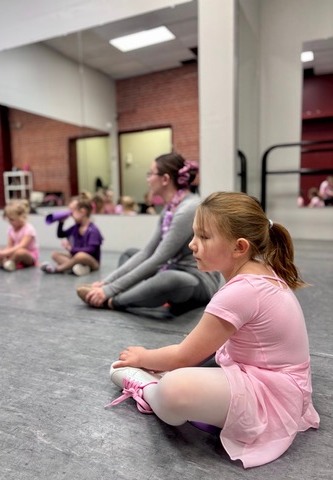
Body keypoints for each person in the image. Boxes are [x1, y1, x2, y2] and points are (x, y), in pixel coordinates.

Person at [105, 191, 320, 469]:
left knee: (174, 390)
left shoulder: (241, 290)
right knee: (194, 356)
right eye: (194, 235)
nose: (193, 245)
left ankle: (148, 390)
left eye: (204, 237)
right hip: (283, 384)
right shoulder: (258, 269)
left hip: (272, 394)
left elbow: (184, 356)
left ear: (239, 247)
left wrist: (143, 358)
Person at [76, 152, 221, 315]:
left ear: (165, 179)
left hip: (196, 281)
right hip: (172, 267)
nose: (148, 179)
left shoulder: (187, 209)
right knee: (130, 254)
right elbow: (147, 252)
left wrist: (109, 291)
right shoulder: (170, 209)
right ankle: (133, 294)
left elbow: (159, 258)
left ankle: (113, 301)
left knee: (167, 279)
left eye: (151, 174)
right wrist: (105, 283)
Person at [41, 191, 104, 276]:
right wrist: (61, 223)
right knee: (54, 254)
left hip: (92, 262)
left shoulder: (93, 230)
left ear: (83, 212)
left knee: (80, 255)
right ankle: (78, 268)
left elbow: (91, 250)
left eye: (72, 211)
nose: (70, 214)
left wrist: (71, 249)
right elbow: (60, 234)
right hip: (75, 259)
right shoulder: (75, 227)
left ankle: (58, 268)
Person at [0, 199, 39, 271]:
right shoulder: (11, 229)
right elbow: (9, 245)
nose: (9, 222)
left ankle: (3, 262)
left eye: (12, 219)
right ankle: (6, 262)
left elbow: (21, 246)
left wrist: (5, 253)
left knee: (20, 252)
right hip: (14, 252)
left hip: (28, 254)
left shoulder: (29, 229)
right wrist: (2, 253)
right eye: (8, 219)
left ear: (21, 218)